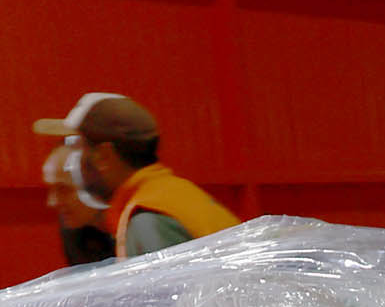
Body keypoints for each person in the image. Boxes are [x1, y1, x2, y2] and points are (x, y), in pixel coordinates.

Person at [31, 93, 238, 259]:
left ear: (104, 156)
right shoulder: (172, 195)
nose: (70, 163)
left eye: (76, 148)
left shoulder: (148, 220)